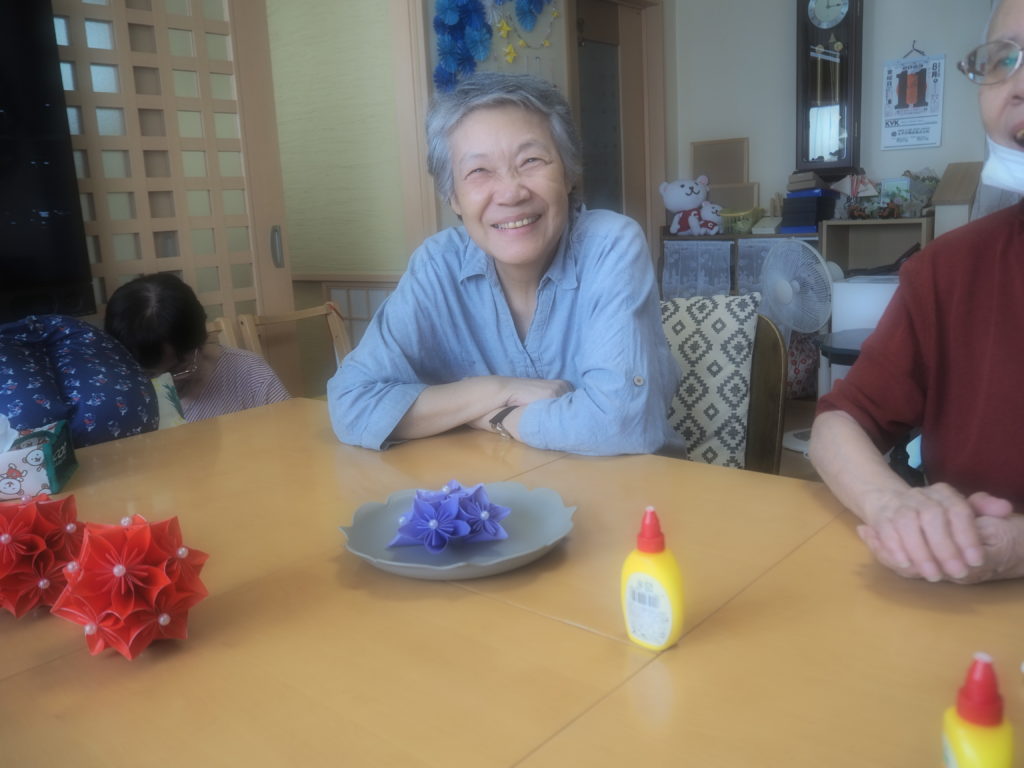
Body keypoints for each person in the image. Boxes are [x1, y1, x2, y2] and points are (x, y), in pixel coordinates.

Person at [328, 72, 678, 455]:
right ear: (453, 197)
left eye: (531, 161)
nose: (511, 192)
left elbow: (619, 424)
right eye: (479, 171)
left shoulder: (610, 244)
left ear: (568, 174)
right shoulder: (437, 265)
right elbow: (352, 404)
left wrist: (493, 418)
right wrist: (494, 391)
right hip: (493, 485)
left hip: (627, 485)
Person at [809, 0, 1024, 584]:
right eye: (1002, 59)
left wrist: (1016, 546)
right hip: (955, 609)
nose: (1018, 84)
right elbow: (840, 422)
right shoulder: (947, 269)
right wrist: (893, 505)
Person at [104, 273, 290, 422]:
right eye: (149, 374)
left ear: (201, 341)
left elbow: (291, 438)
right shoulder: (113, 396)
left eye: (178, 369)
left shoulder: (250, 374)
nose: (167, 383)